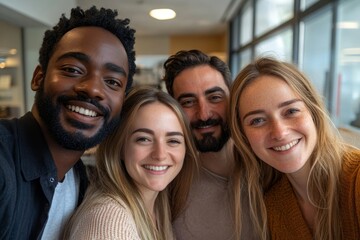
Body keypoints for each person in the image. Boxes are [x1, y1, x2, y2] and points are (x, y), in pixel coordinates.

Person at [0, 6, 136, 240]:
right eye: (73, 70)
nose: (93, 89)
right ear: (38, 78)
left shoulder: (81, 182)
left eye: (112, 82)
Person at [229, 57, 360, 240]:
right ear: (243, 136)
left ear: (313, 113)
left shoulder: (356, 179)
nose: (280, 132)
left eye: (291, 111)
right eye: (257, 120)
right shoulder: (270, 203)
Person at [62, 86, 199, 240]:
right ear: (119, 147)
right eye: (144, 139)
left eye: (173, 141)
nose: (160, 154)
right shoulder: (110, 222)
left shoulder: (158, 206)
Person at [163, 49, 255, 239]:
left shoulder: (268, 170)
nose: (204, 114)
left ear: (233, 100)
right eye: (188, 102)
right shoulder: (168, 183)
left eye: (215, 97)